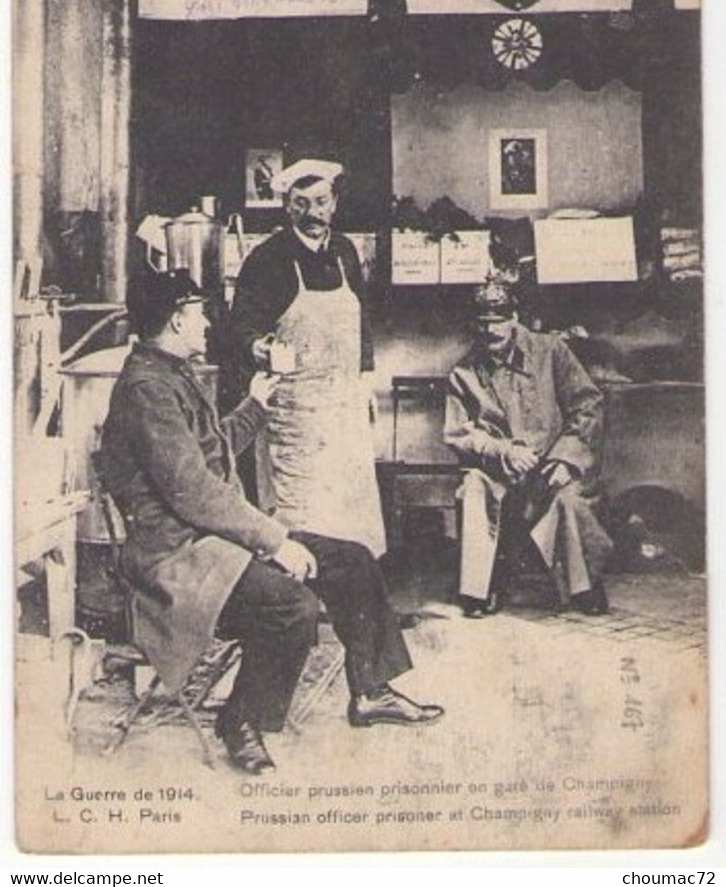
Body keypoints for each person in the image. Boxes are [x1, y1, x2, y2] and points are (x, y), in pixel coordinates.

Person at [100, 269, 442, 776]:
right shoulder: (147, 389)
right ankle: (240, 721)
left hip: (212, 541)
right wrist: (275, 540)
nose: (208, 324)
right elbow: (193, 491)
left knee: (352, 561)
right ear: (177, 320)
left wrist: (256, 406)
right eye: (200, 314)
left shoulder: (169, 373)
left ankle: (371, 691)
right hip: (178, 560)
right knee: (291, 608)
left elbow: (207, 462)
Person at [229, 157, 386, 556]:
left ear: (334, 202)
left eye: (320, 201)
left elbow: (361, 319)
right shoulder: (267, 259)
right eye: (300, 203)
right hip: (296, 416)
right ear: (287, 207)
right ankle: (302, 602)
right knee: (302, 518)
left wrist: (366, 376)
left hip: (344, 409)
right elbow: (240, 327)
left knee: (348, 512)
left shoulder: (346, 251)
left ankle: (350, 600)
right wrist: (258, 347)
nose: (312, 213)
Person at [444, 278, 613, 618]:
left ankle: (585, 585)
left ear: (515, 317)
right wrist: (503, 451)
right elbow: (459, 433)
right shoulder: (464, 372)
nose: (490, 330)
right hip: (500, 469)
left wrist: (566, 457)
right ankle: (481, 587)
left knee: (569, 498)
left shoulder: (551, 351)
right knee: (473, 488)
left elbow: (588, 404)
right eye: (482, 323)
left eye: (498, 321)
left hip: (552, 462)